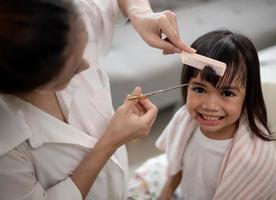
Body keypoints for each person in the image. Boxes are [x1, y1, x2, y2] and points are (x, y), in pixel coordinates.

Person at [0, 0, 195, 199]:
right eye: (72, 66)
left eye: (84, 47)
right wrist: (110, 142)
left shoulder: (69, 15)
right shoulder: (6, 146)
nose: (86, 64)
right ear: (35, 78)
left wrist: (141, 13)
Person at [155, 30, 276, 200]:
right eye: (199, 89)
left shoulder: (253, 158)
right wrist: (165, 194)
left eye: (228, 93)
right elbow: (177, 166)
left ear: (248, 96)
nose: (210, 106)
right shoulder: (184, 122)